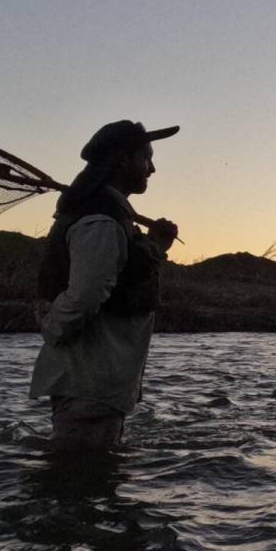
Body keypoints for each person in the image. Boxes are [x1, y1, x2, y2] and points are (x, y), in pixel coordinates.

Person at [30, 120, 179, 451]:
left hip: (99, 385)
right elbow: (85, 296)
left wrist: (155, 245)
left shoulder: (108, 216)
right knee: (78, 481)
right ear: (123, 161)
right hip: (89, 383)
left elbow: (120, 275)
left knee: (85, 481)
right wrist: (52, 326)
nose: (152, 169)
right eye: (146, 158)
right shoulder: (99, 221)